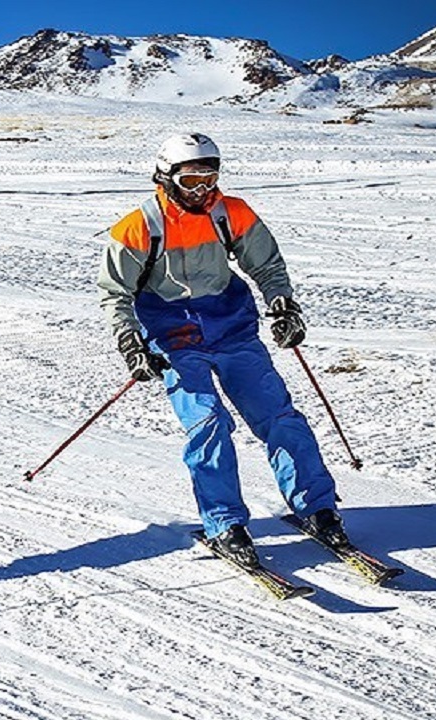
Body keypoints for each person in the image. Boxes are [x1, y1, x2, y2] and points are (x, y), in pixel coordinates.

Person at [97, 133, 347, 567]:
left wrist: (282, 304)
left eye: (209, 179)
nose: (202, 190)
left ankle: (317, 508)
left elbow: (266, 264)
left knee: (279, 416)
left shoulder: (230, 212)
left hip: (232, 326)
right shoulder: (138, 226)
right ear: (166, 177)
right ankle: (225, 523)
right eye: (191, 180)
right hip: (174, 335)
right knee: (208, 421)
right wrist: (130, 342)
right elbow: (116, 293)